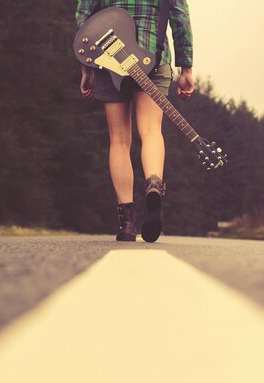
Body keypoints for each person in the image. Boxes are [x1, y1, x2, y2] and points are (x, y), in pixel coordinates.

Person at [75, 0, 195, 243]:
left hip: (109, 63)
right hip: (153, 57)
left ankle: (127, 221)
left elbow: (84, 21)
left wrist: (86, 70)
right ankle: (153, 183)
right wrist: (186, 68)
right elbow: (180, 19)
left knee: (119, 140)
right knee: (151, 131)